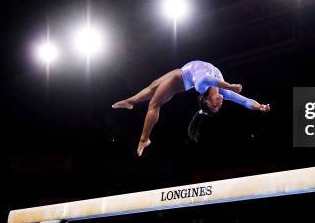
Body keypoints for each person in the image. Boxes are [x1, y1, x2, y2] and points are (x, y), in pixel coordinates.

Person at [112, 60, 271, 156]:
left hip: (179, 81)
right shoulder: (225, 92)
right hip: (183, 70)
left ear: (207, 101)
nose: (220, 103)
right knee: (153, 86)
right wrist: (260, 107)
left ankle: (144, 139)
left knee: (154, 104)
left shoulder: (202, 86)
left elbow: (209, 78)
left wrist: (230, 85)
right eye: (219, 106)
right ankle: (131, 101)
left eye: (215, 105)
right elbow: (245, 102)